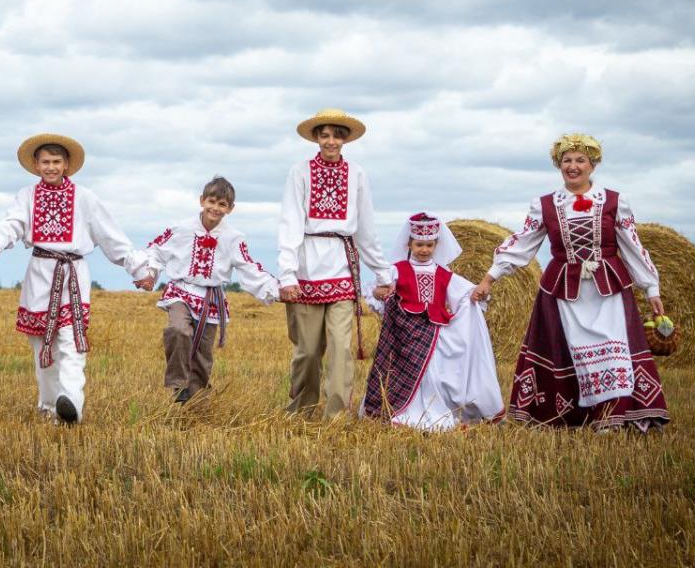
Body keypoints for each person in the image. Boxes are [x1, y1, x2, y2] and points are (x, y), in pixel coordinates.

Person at [471, 133, 670, 431]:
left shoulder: (615, 201)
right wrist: (490, 277)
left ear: (593, 165)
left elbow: (632, 245)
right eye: (567, 161)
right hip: (564, 291)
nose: (573, 166)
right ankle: (576, 416)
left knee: (611, 350)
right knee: (572, 353)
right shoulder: (546, 205)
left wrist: (651, 288)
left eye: (580, 160)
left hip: (608, 290)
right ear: (558, 165)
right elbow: (522, 243)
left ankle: (611, 418)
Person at [0, 134, 151, 424]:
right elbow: (13, 223)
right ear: (35, 165)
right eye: (45, 162)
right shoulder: (26, 196)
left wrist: (138, 269)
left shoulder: (85, 198)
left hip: (73, 275)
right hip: (39, 275)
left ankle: (70, 401)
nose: (50, 167)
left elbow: (111, 236)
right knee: (41, 348)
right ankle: (49, 407)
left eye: (56, 161)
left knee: (71, 343)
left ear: (67, 164)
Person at [277, 108, 394, 418]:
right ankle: (300, 412)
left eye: (336, 135)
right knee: (308, 351)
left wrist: (383, 272)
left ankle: (336, 417)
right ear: (316, 138)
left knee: (342, 349)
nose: (331, 141)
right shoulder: (299, 172)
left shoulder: (357, 174)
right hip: (306, 268)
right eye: (325, 135)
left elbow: (366, 227)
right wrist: (287, 274)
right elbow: (290, 223)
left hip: (343, 268)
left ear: (345, 139)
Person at [134, 176, 279, 403]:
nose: (216, 208)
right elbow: (156, 250)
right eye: (212, 201)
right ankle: (179, 385)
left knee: (203, 354)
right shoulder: (181, 228)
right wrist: (149, 273)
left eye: (222, 204)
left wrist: (274, 290)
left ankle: (196, 400)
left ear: (230, 209)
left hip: (211, 298)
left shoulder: (234, 238)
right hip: (181, 291)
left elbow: (249, 267)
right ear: (202, 201)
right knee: (179, 330)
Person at [361, 213, 504, 429]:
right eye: (419, 244)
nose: (424, 250)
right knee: (401, 374)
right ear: (409, 243)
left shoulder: (443, 274)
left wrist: (476, 293)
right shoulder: (398, 269)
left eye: (429, 245)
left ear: (436, 245)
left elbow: (464, 293)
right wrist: (380, 291)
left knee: (437, 375)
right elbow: (379, 289)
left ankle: (436, 410)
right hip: (403, 335)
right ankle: (403, 411)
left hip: (435, 332)